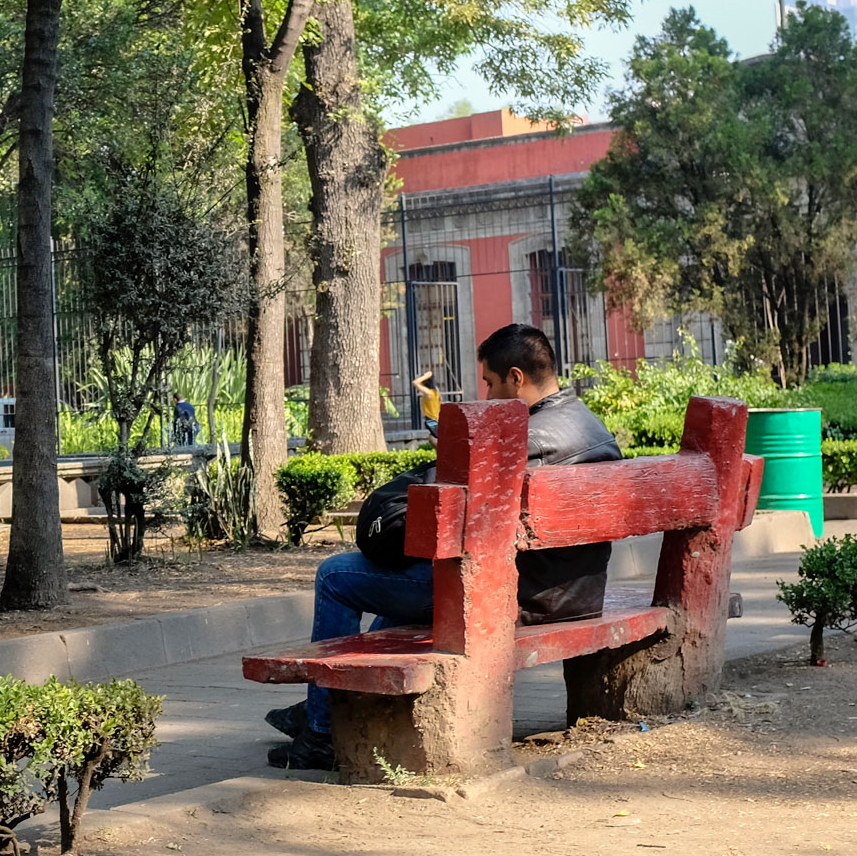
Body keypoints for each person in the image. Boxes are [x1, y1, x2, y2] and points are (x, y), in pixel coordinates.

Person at [264, 324, 623, 770]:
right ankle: (336, 703)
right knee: (399, 589)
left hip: (514, 596)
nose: (488, 396)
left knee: (337, 576)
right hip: (572, 593)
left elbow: (443, 509)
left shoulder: (525, 442)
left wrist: (451, 453)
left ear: (516, 378)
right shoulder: (589, 426)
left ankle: (320, 732)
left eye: (490, 383)